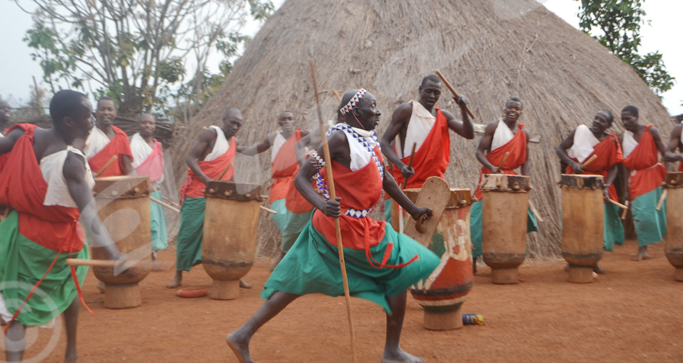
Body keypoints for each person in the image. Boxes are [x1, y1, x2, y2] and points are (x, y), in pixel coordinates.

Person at [227, 89, 440, 363]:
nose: (377, 112)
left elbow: (384, 177)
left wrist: (412, 209)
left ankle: (242, 335)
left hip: (351, 224)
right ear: (353, 112)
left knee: (296, 283)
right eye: (371, 107)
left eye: (376, 106)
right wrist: (322, 204)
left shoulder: (368, 138)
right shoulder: (337, 139)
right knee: (403, 264)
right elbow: (302, 179)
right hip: (343, 226)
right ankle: (392, 352)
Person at [0, 90, 125, 362]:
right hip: (59, 240)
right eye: (88, 116)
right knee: (69, 286)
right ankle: (70, 353)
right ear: (69, 122)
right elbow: (90, 215)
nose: (93, 119)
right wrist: (115, 253)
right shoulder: (71, 162)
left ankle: (65, 353)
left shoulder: (25, 135)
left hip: (20, 234)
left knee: (17, 304)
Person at [167, 108, 249, 289]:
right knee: (187, 234)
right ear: (224, 118)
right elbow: (190, 158)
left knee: (225, 235)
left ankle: (232, 273)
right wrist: (207, 180)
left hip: (220, 195)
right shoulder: (211, 134)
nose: (234, 127)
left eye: (238, 124)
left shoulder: (233, 142)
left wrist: (234, 190)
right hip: (198, 192)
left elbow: (229, 169)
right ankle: (178, 275)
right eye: (232, 122)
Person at [380, 75, 474, 226]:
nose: (432, 96)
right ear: (420, 90)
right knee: (402, 232)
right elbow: (384, 142)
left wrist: (463, 109)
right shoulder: (406, 111)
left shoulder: (444, 116)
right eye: (428, 91)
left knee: (435, 231)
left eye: (436, 93)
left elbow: (469, 134)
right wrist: (400, 165)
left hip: (434, 184)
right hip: (406, 182)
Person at [469, 97, 536, 272]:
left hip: (512, 179)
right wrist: (491, 167)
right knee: (477, 216)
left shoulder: (524, 133)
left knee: (514, 216)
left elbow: (526, 160)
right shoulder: (494, 127)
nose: (513, 111)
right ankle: (473, 259)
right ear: (505, 109)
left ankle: (505, 255)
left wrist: (525, 180)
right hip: (490, 177)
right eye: (510, 107)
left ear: (521, 112)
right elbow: (479, 152)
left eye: (517, 108)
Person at [239, 111, 311, 269]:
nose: (286, 121)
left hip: (299, 183)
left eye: (289, 118)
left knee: (302, 220)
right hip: (280, 184)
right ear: (279, 122)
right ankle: (285, 254)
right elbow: (254, 150)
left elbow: (325, 141)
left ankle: (286, 257)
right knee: (284, 220)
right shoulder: (273, 138)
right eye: (283, 119)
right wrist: (235, 147)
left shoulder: (303, 135)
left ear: (294, 121)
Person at [556, 110, 624, 273]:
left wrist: (606, 187)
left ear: (608, 125)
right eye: (596, 118)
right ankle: (573, 258)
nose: (597, 122)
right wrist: (571, 163)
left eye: (602, 120)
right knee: (575, 219)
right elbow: (560, 149)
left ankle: (592, 261)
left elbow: (614, 168)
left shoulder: (611, 141)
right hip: (576, 182)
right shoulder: (579, 132)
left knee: (595, 223)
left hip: (597, 185)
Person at [620, 105, 667, 261]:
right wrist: (626, 187)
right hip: (636, 179)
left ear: (637, 117)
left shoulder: (651, 131)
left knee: (651, 213)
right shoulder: (623, 138)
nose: (625, 122)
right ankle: (642, 249)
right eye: (623, 120)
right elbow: (626, 164)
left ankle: (644, 248)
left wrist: (666, 175)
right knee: (639, 212)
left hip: (654, 176)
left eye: (628, 119)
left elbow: (665, 153)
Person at [130, 113, 168, 260]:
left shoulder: (157, 146)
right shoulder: (132, 142)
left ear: (155, 126)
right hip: (138, 189)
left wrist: (170, 193)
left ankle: (153, 254)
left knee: (154, 222)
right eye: (144, 122)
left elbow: (162, 170)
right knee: (142, 221)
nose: (148, 125)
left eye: (151, 123)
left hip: (155, 190)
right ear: (138, 124)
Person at [79, 97, 133, 176]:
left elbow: (128, 167)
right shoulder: (86, 134)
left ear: (115, 113)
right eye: (102, 109)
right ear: (96, 112)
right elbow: (77, 163)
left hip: (116, 185)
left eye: (110, 109)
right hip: (91, 184)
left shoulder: (121, 136)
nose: (106, 112)